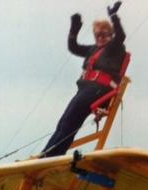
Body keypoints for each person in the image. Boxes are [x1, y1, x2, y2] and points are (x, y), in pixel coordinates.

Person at [41, 1, 127, 157]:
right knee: (63, 124)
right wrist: (74, 30)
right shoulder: (93, 49)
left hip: (98, 90)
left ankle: (47, 157)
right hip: (86, 90)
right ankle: (46, 156)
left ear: (110, 35)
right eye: (97, 35)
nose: (100, 38)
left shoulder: (115, 47)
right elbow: (73, 47)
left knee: (68, 122)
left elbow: (121, 36)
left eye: (104, 34)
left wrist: (114, 16)